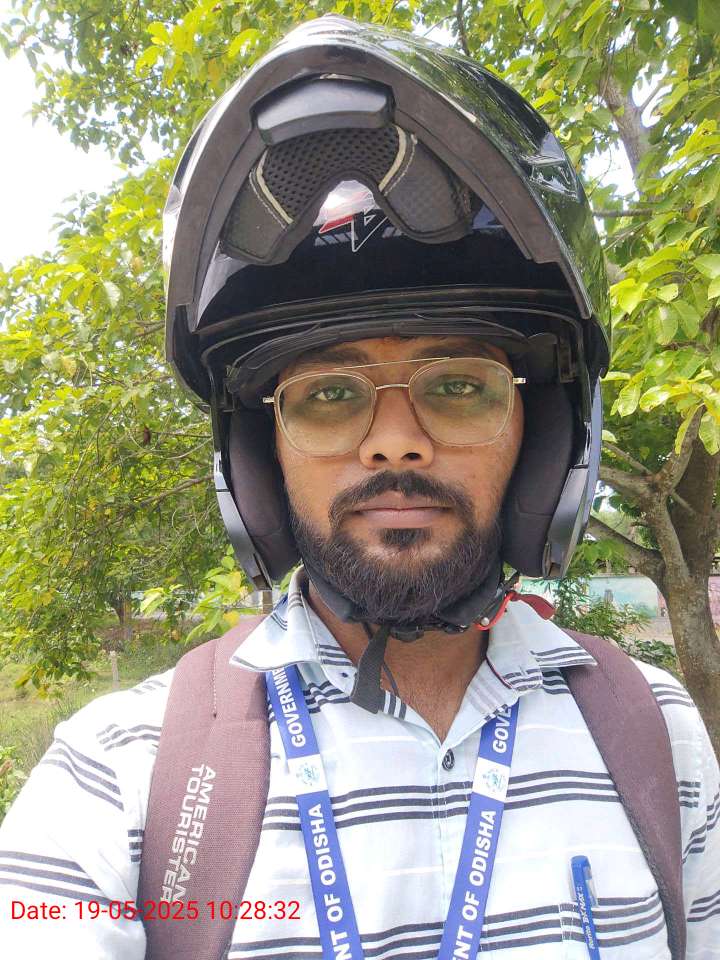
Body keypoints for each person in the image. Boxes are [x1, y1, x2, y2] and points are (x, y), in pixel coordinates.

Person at [1, 15, 718, 960]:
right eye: (330, 395)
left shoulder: (655, 732)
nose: (395, 443)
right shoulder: (121, 772)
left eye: (458, 385)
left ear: (542, 437)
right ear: (260, 456)